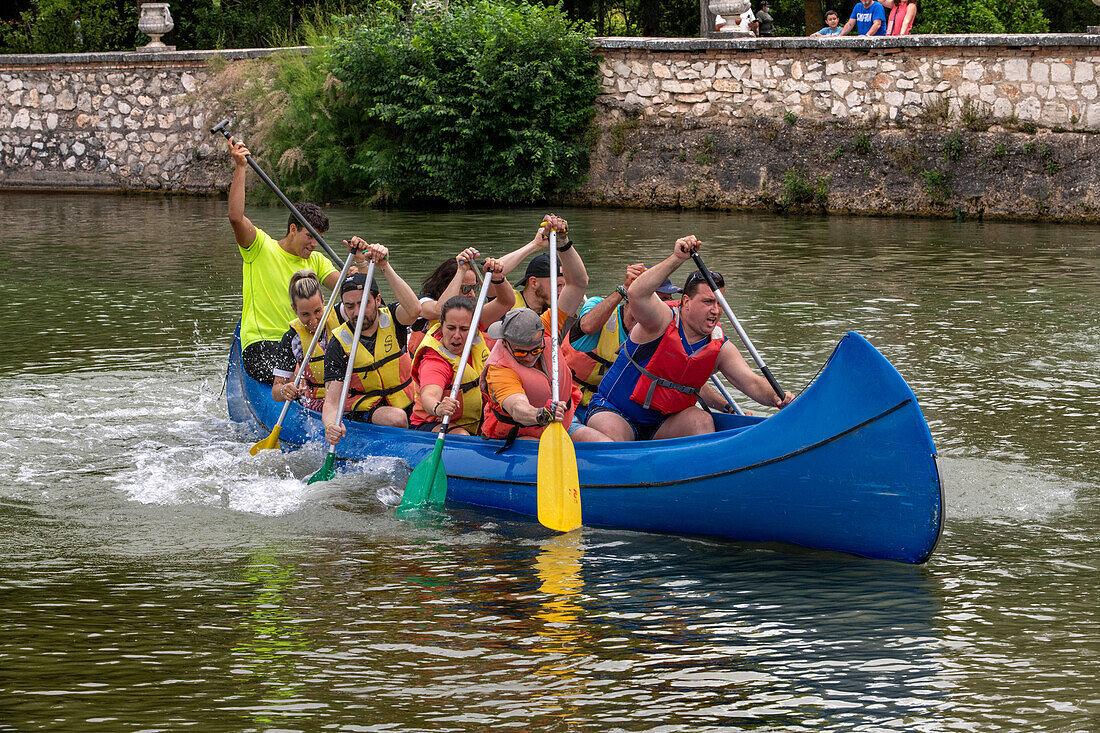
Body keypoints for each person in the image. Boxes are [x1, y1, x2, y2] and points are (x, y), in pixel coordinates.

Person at [585, 236, 794, 442]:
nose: (716, 310)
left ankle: (703, 472)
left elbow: (753, 383)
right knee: (614, 439)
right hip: (616, 412)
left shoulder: (719, 346)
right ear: (686, 301)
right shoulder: (661, 320)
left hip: (664, 423)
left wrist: (778, 397)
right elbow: (637, 293)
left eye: (720, 303)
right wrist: (677, 258)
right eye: (708, 301)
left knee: (701, 420)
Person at [227, 135, 360, 385]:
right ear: (292, 229)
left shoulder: (318, 261)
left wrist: (359, 267)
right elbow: (236, 217)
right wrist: (241, 167)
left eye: (319, 240)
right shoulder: (260, 247)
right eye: (310, 236)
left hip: (304, 342)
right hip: (264, 344)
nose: (314, 244)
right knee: (302, 376)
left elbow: (346, 287)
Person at [479, 220, 610, 445]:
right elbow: (517, 407)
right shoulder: (499, 369)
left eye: (537, 350)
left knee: (604, 445)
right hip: (520, 432)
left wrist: (563, 243)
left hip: (563, 421)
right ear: (507, 343)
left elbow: (578, 284)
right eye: (522, 353)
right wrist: (540, 414)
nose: (530, 356)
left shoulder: (546, 326)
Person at [322, 243, 422, 444]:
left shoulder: (393, 318)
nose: (357, 313)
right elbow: (332, 401)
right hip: (369, 410)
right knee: (397, 418)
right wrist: (330, 425)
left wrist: (384, 266)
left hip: (408, 400)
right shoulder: (338, 344)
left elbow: (414, 310)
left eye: (363, 304)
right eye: (349, 306)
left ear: (377, 300)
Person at [409, 257, 514, 435]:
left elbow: (506, 302)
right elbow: (429, 394)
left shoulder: (475, 323)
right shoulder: (435, 359)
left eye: (464, 329)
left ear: (472, 326)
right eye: (451, 328)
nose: (457, 336)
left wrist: (498, 278)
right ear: (441, 325)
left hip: (474, 420)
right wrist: (438, 407)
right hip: (435, 424)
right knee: (461, 435)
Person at [562, 265, 683, 408]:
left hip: (606, 405)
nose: (665, 307)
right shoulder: (597, 305)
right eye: (661, 299)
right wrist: (624, 288)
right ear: (640, 296)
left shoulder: (662, 333)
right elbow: (587, 326)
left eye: (669, 300)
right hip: (567, 400)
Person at [410, 247, 514, 351]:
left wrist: (499, 278)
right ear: (446, 286)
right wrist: (461, 271)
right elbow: (439, 311)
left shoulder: (471, 317)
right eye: (466, 288)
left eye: (474, 288)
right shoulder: (422, 303)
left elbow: (506, 303)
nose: (472, 294)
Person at [271, 270, 341, 411]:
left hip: (349, 397)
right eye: (305, 314)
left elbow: (363, 299)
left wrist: (361, 263)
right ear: (294, 309)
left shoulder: (341, 315)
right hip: (317, 402)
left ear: (323, 300)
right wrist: (285, 390)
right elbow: (276, 391)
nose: (314, 320)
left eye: (317, 311)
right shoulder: (291, 338)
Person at [495, 215, 573, 314]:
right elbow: (494, 272)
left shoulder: (557, 312)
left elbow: (580, 282)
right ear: (533, 282)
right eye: (557, 285)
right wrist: (535, 245)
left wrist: (563, 240)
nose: (561, 292)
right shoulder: (508, 301)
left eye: (564, 286)